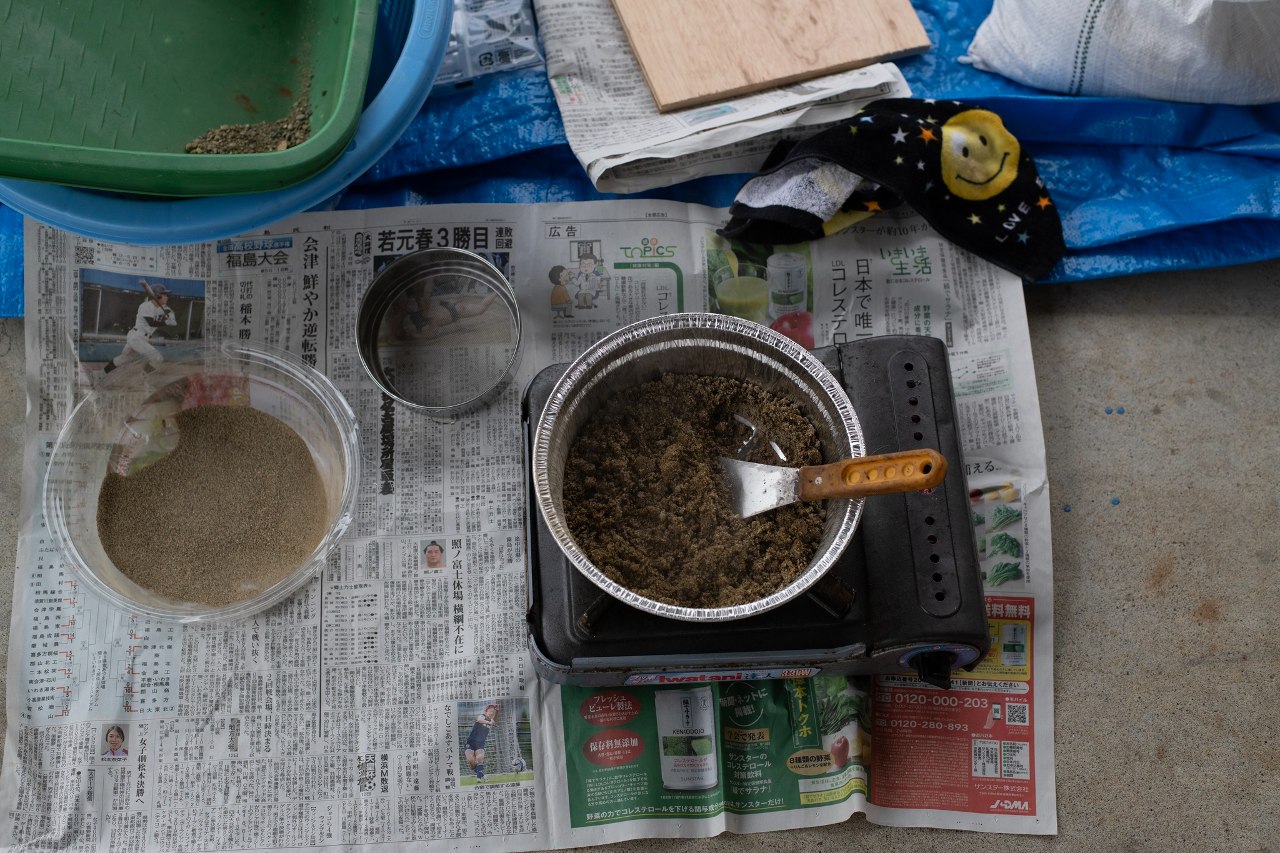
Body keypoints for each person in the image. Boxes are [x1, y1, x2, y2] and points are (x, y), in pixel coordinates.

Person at [103, 280, 177, 373]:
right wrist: (165, 322)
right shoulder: (146, 306)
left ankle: (101, 374)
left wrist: (171, 317)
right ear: (157, 296)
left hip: (143, 338)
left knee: (124, 358)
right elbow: (151, 322)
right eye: (164, 295)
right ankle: (144, 378)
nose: (167, 297)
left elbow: (172, 318)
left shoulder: (164, 308)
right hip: (137, 336)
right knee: (157, 358)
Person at [465, 702, 499, 782]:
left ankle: (478, 779)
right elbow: (480, 720)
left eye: (493, 712)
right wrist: (489, 722)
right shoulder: (482, 716)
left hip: (480, 744)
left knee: (480, 758)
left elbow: (495, 719)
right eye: (490, 711)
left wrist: (497, 711)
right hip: (471, 742)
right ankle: (482, 775)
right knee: (471, 763)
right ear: (486, 711)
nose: (491, 713)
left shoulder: (492, 720)